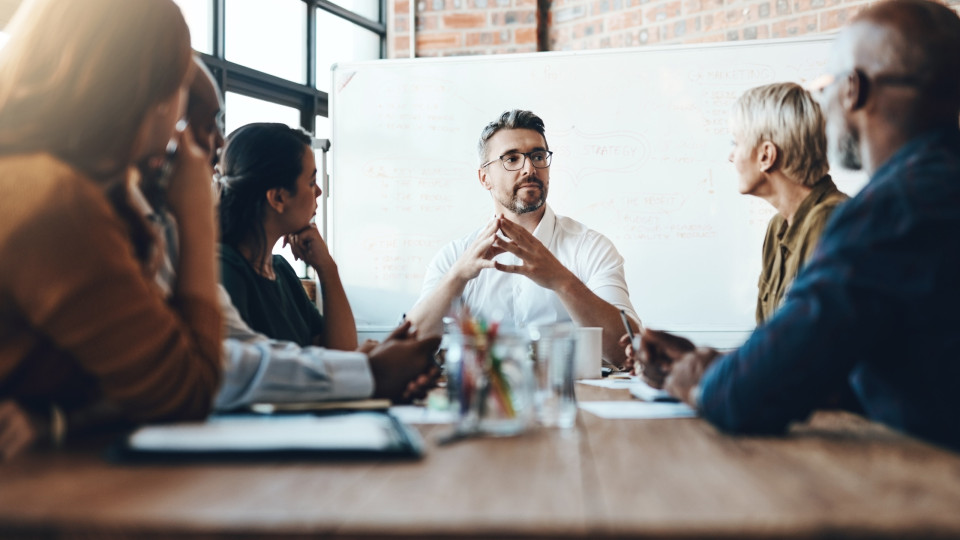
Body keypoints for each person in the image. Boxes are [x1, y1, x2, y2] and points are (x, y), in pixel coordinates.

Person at [626, 0, 960, 451]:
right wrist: (716, 364)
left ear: (853, 91)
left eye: (826, 86)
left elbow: (745, 397)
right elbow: (830, 359)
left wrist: (700, 378)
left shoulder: (888, 213)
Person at [0, 0, 222, 451]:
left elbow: (123, 380)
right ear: (149, 92)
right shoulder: (53, 202)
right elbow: (187, 391)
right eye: (180, 83)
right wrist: (198, 219)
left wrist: (58, 423)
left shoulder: (35, 181)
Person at [406, 109, 640, 365]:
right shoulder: (454, 256)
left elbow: (630, 353)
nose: (530, 168)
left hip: (571, 401)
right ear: (485, 178)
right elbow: (407, 349)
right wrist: (458, 276)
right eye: (512, 158)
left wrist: (561, 280)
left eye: (538, 156)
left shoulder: (591, 248)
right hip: (484, 402)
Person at [218, 123, 357, 350]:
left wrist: (327, 269)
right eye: (311, 182)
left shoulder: (281, 270)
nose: (319, 192)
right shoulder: (225, 269)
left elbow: (341, 353)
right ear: (278, 198)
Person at [729, 82, 849, 324]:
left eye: (736, 143)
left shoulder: (830, 221)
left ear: (766, 156)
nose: (730, 155)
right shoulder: (777, 228)